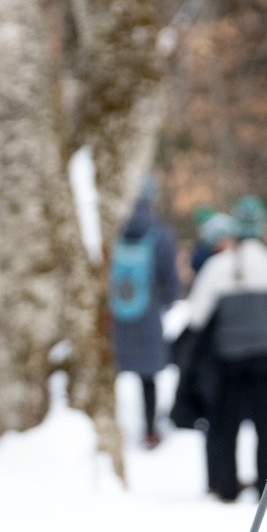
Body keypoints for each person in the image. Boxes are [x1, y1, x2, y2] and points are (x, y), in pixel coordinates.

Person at [185, 209, 267, 502]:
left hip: (230, 357)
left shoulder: (217, 265)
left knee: (228, 423)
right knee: (264, 425)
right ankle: (266, 484)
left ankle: (227, 485)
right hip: (265, 354)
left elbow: (196, 316)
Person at [111, 178, 181, 450]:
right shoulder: (161, 235)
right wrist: (160, 304)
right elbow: (171, 283)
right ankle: (150, 430)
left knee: (110, 371)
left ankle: (107, 425)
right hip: (148, 316)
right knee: (148, 377)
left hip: (114, 318)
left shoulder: (112, 229)